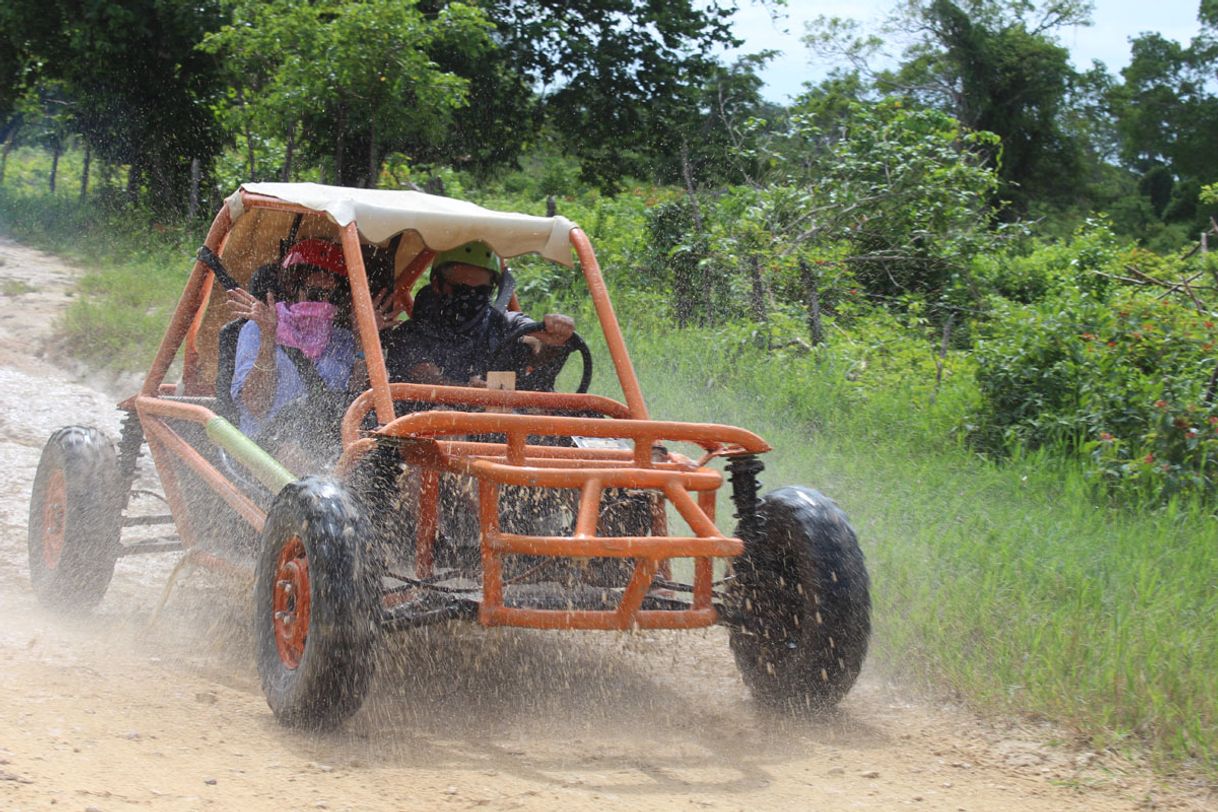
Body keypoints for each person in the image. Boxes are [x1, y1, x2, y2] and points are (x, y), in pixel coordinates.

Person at [384, 240, 574, 388]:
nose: (470, 298)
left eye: (480, 291)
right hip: (426, 428)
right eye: (461, 289)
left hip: (498, 429)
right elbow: (429, 380)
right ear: (437, 284)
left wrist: (554, 337)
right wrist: (471, 392)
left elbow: (537, 347)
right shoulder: (410, 335)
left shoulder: (502, 325)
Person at [225, 239, 358, 442]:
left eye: (331, 295)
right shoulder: (257, 329)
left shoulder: (342, 339)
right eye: (315, 293)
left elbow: (355, 397)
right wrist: (269, 338)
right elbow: (256, 405)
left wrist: (365, 341)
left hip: (324, 443)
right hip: (264, 444)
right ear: (292, 287)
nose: (323, 303)